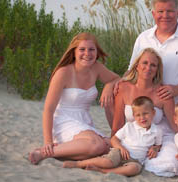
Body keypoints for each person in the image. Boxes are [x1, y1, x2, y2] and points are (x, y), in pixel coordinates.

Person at [109, 0, 178, 176]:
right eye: (161, 11)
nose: (165, 16)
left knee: (168, 163)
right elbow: (132, 69)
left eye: (170, 11)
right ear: (153, 14)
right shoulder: (143, 38)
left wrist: (176, 89)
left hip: (177, 117)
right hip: (145, 115)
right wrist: (114, 83)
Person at [28, 33, 120, 165]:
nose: (87, 53)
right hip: (63, 120)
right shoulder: (63, 72)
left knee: (108, 146)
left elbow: (117, 79)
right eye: (82, 49)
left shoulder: (96, 67)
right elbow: (48, 110)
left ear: (96, 52)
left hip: (84, 120)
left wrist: (108, 86)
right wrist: (48, 141)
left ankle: (72, 153)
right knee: (96, 145)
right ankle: (44, 152)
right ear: (74, 52)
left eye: (91, 49)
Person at [109, 48, 178, 177]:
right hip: (131, 138)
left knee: (170, 164)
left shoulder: (163, 93)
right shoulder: (124, 88)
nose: (148, 68)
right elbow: (117, 123)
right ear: (137, 66)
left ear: (157, 70)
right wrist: (113, 144)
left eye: (153, 65)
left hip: (156, 139)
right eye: (145, 63)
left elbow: (175, 125)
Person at [64, 96, 161, 176]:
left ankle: (104, 171)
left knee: (134, 169)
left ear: (153, 112)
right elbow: (114, 139)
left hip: (136, 160)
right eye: (138, 115)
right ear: (134, 116)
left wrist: (155, 149)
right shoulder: (129, 126)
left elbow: (158, 144)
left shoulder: (157, 131)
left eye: (145, 114)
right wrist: (121, 148)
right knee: (107, 162)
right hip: (120, 153)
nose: (142, 118)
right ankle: (79, 163)